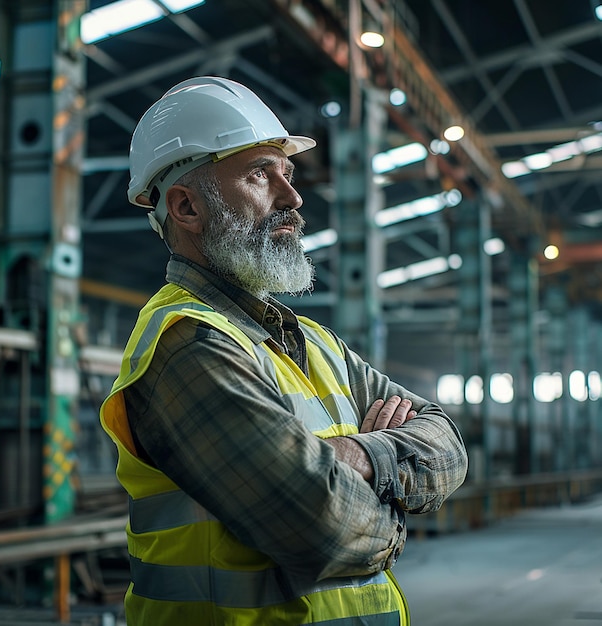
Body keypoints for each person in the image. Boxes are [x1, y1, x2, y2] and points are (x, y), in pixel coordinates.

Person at [100, 76, 468, 626]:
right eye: (258, 174)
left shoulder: (318, 343)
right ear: (186, 207)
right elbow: (318, 527)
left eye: (287, 173)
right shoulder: (186, 344)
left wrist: (362, 458)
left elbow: (450, 445)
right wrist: (397, 501)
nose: (293, 198)